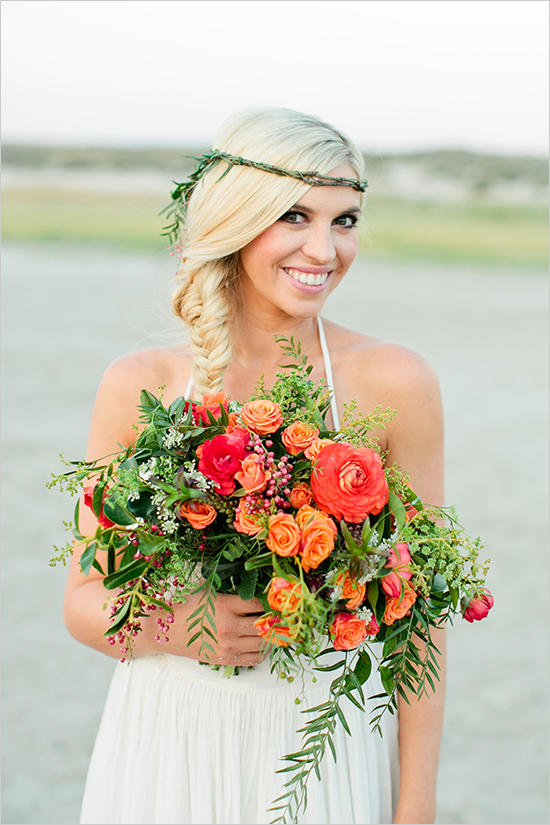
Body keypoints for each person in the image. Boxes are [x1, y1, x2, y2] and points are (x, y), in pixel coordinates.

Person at [64, 107, 446, 825]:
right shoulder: (138, 384)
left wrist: (415, 804)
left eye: (346, 220)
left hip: (326, 749)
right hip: (169, 741)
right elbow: (83, 599)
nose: (325, 249)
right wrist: (176, 626)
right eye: (295, 216)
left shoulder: (396, 382)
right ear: (237, 219)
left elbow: (417, 620)